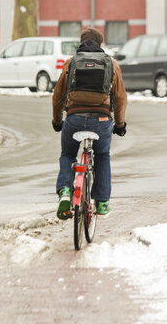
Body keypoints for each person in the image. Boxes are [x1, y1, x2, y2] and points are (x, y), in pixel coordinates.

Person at [52, 27, 127, 219]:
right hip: (102, 119)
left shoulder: (71, 63)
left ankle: (65, 193)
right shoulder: (112, 64)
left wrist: (57, 121)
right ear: (101, 45)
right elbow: (120, 97)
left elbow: (58, 96)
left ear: (81, 43)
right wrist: (119, 124)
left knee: (68, 154)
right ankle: (102, 202)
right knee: (102, 155)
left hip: (74, 118)